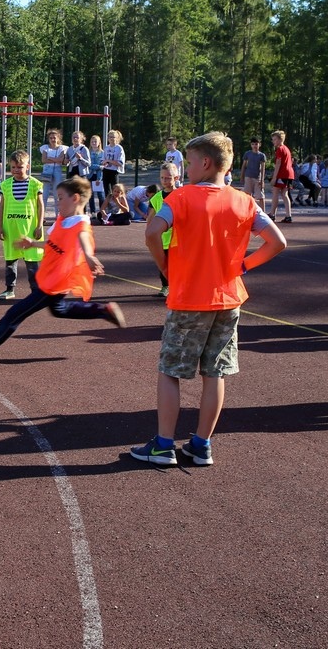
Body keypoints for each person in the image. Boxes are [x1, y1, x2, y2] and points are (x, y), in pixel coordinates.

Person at [129, 132, 287, 466]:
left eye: (188, 162)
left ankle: (163, 445)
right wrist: (244, 265)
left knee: (170, 371)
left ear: (205, 162)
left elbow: (152, 232)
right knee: (214, 373)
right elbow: (277, 242)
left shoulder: (181, 198)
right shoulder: (244, 201)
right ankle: (201, 445)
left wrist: (165, 266)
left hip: (190, 297)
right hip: (228, 298)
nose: (185, 168)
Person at [0, 176, 125, 365]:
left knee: (14, 314)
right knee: (59, 310)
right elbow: (53, 243)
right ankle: (103, 310)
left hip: (54, 282)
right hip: (50, 278)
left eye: (60, 198)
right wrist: (32, 244)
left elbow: (83, 237)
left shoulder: (81, 223)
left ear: (75, 199)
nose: (57, 202)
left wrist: (88, 255)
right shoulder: (63, 220)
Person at [0, 150, 44, 300]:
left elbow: (40, 205)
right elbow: (2, 207)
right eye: (13, 167)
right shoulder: (5, 185)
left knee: (32, 262)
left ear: (27, 166)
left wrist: (40, 225)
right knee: (10, 260)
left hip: (29, 229)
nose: (16, 170)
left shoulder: (35, 184)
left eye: (20, 167)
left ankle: (36, 291)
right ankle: (9, 289)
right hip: (11, 228)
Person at [146, 162, 179, 297]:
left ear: (176, 178)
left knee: (177, 264)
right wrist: (148, 235)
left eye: (168, 178)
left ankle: (177, 287)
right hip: (162, 239)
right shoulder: (156, 198)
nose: (164, 181)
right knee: (162, 264)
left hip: (178, 238)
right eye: (162, 178)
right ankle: (165, 286)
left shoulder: (181, 195)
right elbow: (150, 218)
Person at [269, 130, 294, 223]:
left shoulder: (280, 149)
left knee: (275, 192)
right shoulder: (287, 149)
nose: (273, 141)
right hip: (289, 174)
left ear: (280, 139)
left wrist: (274, 177)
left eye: (274, 139)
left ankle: (272, 214)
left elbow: (278, 163)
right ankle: (288, 215)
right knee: (284, 194)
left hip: (282, 174)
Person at [39, 129, 67, 211]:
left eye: (54, 138)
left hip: (57, 170)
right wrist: (56, 159)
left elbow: (61, 160)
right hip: (47, 170)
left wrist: (50, 158)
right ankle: (42, 215)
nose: (53, 140)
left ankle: (57, 215)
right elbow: (44, 160)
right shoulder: (45, 148)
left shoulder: (62, 148)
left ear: (58, 138)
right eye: (51, 138)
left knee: (57, 193)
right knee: (45, 193)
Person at [240, 138, 266, 210]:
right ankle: (247, 211)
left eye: (256, 144)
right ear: (251, 145)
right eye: (253, 144)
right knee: (247, 195)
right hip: (248, 177)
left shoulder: (262, 155)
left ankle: (263, 212)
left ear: (259, 145)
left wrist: (262, 180)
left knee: (260, 196)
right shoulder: (247, 154)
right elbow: (244, 165)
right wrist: (242, 176)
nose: (255, 146)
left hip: (257, 178)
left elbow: (263, 168)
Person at [101, 129, 126, 198]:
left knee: (115, 190)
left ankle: (117, 205)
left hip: (114, 171)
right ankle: (108, 205)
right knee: (107, 190)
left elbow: (120, 163)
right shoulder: (106, 147)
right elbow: (103, 160)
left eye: (113, 137)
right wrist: (104, 163)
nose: (112, 139)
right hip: (106, 170)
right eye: (110, 137)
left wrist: (109, 161)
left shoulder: (119, 148)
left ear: (117, 138)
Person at [87, 134, 105, 216]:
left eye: (95, 141)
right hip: (90, 175)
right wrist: (99, 167)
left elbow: (103, 166)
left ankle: (102, 211)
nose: (94, 143)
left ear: (99, 143)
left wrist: (99, 178)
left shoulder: (102, 153)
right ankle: (93, 212)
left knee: (100, 195)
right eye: (92, 141)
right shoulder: (88, 152)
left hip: (98, 176)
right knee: (90, 195)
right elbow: (89, 164)